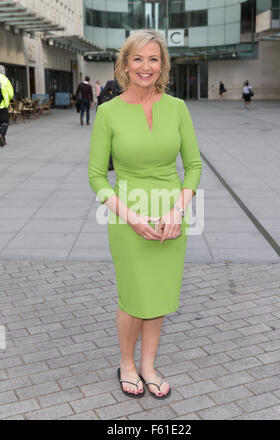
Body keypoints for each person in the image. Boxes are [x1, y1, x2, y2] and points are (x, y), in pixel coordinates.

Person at [88, 30, 202, 399]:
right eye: (137, 58)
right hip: (127, 217)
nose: (145, 66)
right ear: (124, 64)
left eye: (153, 59)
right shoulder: (107, 112)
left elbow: (194, 166)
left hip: (172, 214)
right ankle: (127, 363)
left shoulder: (178, 109)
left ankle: (149, 365)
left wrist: (177, 209)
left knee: (159, 296)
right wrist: (132, 217)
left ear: (162, 65)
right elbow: (95, 176)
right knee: (134, 296)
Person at [0, 65, 14, 147]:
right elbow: (11, 94)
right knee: (4, 123)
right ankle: (1, 134)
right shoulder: (5, 80)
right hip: (2, 106)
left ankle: (3, 139)